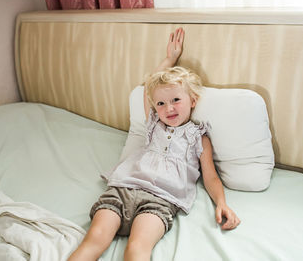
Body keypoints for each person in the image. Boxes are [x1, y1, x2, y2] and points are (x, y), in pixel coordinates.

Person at [68, 27, 240, 261]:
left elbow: (210, 177)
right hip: (123, 189)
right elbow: (150, 84)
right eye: (160, 103)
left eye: (176, 100)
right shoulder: (154, 124)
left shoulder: (198, 137)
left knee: (138, 248)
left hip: (160, 200)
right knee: (95, 238)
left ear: (193, 100)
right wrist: (170, 58)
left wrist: (222, 203)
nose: (168, 108)